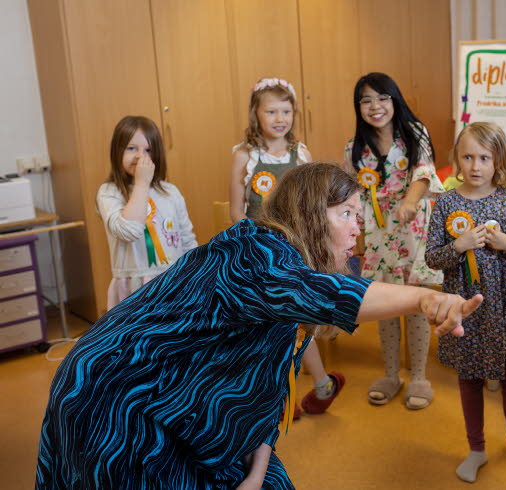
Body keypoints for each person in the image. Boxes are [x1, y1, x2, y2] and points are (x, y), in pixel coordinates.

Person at [36, 163, 483, 489]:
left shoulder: (285, 275)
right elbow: (330, 296)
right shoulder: (255, 249)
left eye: (357, 215)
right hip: (113, 395)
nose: (356, 230)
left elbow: (270, 384)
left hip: (170, 401)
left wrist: (255, 471)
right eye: (345, 213)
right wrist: (426, 296)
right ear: (309, 212)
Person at [425, 122, 506, 483]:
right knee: (469, 378)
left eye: (484, 157)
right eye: (467, 156)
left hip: (504, 305)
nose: (475, 165)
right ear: (457, 158)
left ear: (498, 160)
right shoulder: (446, 202)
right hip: (462, 306)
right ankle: (476, 448)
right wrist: (459, 245)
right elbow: (432, 258)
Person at [229, 77, 341, 418]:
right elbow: (236, 209)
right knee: (268, 323)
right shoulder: (243, 156)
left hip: (296, 251)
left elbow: (312, 204)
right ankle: (288, 392)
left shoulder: (300, 153)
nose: (280, 118)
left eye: (286, 111)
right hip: (258, 251)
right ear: (256, 114)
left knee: (295, 320)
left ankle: (309, 387)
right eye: (272, 111)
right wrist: (249, 243)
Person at [343, 72, 445, 409]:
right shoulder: (353, 149)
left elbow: (424, 173)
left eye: (382, 98)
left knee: (416, 302)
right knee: (384, 305)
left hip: (412, 229)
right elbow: (352, 194)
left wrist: (410, 202)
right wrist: (352, 235)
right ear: (358, 107)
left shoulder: (414, 133)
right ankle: (390, 375)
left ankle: (418, 376)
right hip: (377, 234)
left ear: (394, 100)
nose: (375, 107)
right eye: (366, 101)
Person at [96, 115, 197, 311]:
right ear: (117, 152)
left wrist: (193, 277)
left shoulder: (170, 192)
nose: (140, 157)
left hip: (172, 283)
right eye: (131, 148)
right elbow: (129, 230)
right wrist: (142, 183)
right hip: (132, 290)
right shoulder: (109, 192)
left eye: (148, 150)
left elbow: (187, 239)